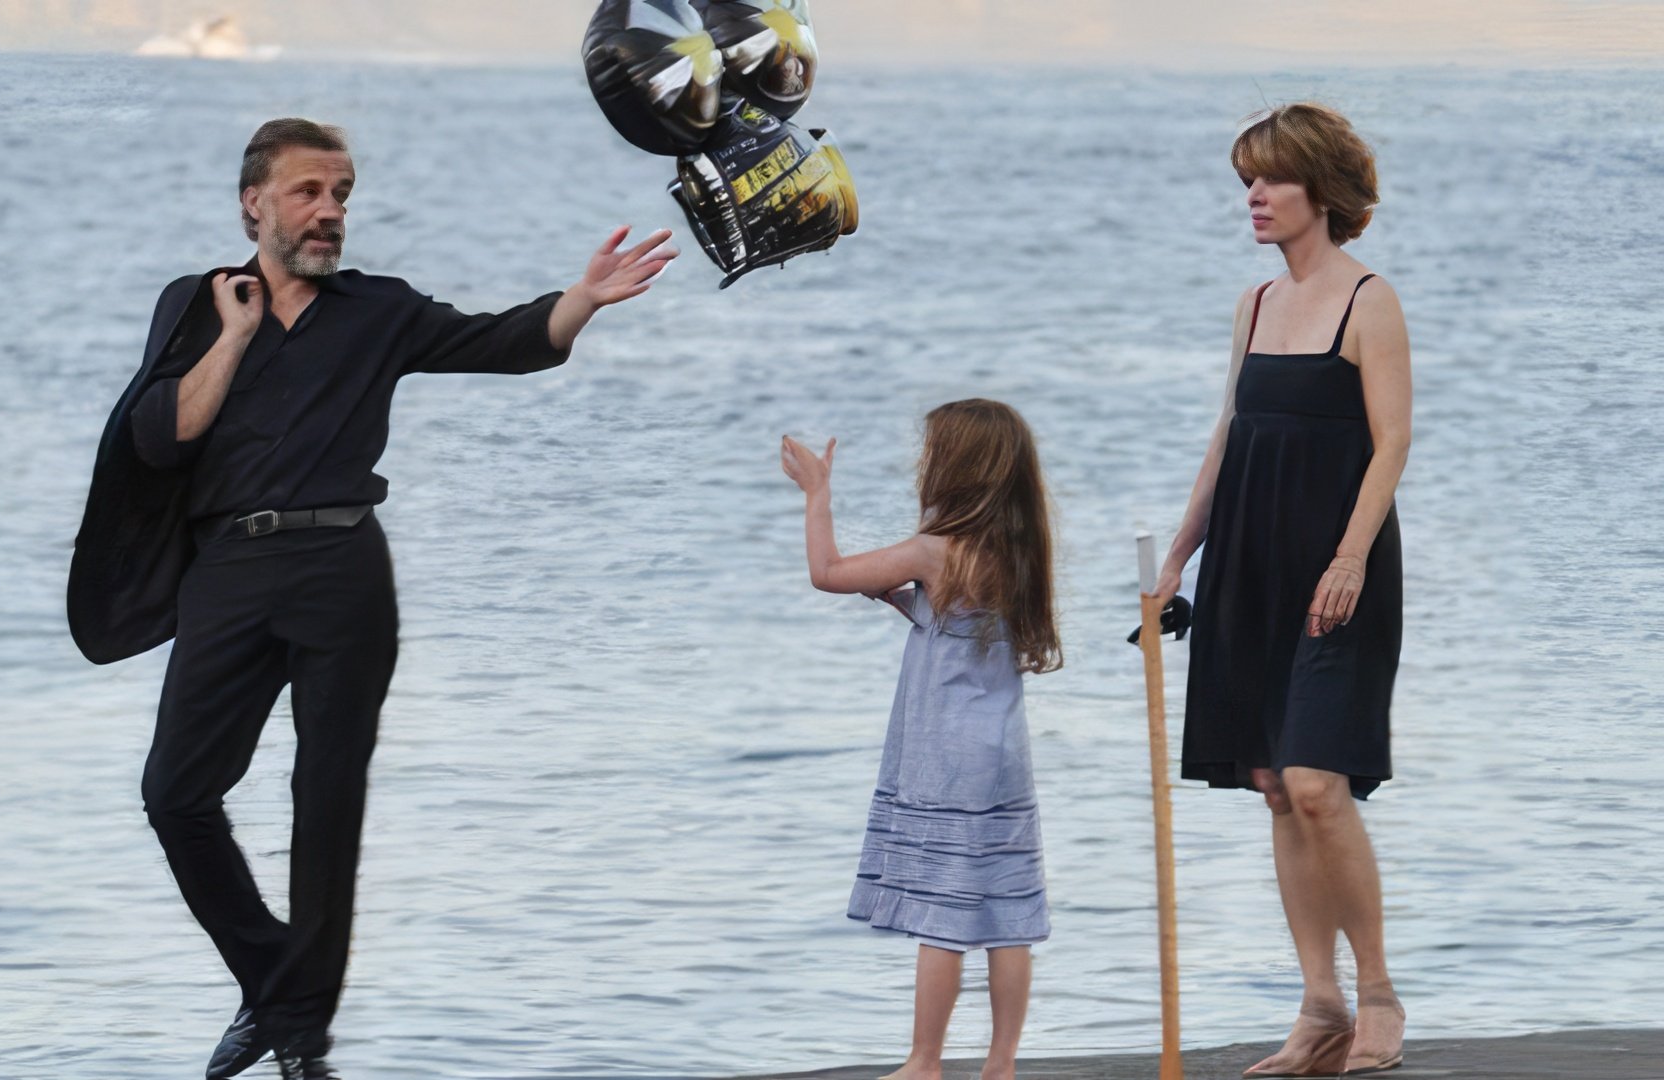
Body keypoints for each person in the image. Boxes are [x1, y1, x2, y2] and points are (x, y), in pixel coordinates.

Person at [67, 118, 676, 1079]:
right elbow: (156, 436)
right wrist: (232, 335)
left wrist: (584, 299)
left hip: (344, 570)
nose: (329, 212)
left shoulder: (377, 310)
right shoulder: (194, 305)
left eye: (342, 193)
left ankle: (303, 1043)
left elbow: (507, 342)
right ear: (252, 202)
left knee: (328, 800)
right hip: (228, 571)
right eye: (309, 191)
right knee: (175, 794)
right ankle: (276, 981)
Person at [1151, 102, 1411, 1078]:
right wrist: (1181, 553)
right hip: (1246, 568)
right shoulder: (1255, 308)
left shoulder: (1369, 301)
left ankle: (1378, 994)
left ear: (1323, 192)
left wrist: (1350, 558)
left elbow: (1391, 443)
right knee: (1271, 785)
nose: (1254, 197)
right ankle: (1319, 1009)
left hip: (1337, 573)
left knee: (1317, 782)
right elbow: (1231, 435)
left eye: (1272, 179)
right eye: (1247, 180)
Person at [779, 400, 1063, 1080]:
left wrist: (818, 494)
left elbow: (827, 571)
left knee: (943, 910)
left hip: (948, 758)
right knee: (1006, 908)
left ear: (954, 471)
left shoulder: (934, 551)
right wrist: (903, 601)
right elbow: (960, 623)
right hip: (1002, 755)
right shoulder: (1017, 552)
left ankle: (925, 1060)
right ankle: (1001, 1062)